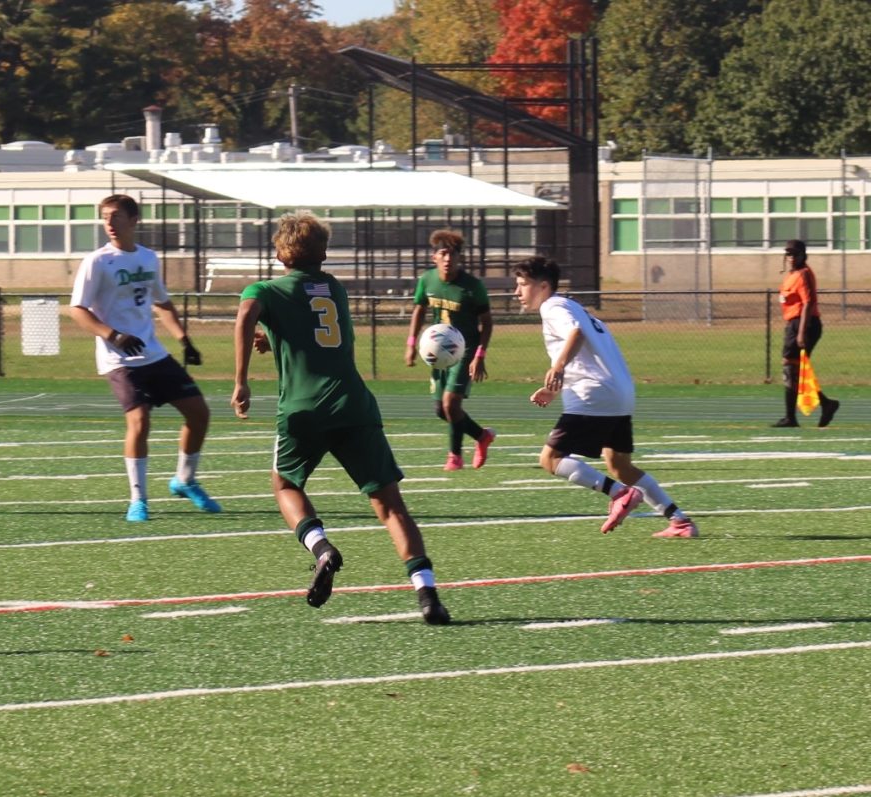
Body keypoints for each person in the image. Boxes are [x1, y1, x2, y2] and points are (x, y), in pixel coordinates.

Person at [232, 211, 451, 624]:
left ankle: (321, 546)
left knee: (285, 484)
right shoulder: (333, 287)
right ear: (324, 253)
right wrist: (274, 338)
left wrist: (241, 380)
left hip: (303, 408)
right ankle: (427, 594)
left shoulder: (264, 288)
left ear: (280, 252)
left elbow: (247, 314)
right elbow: (312, 326)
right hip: (354, 404)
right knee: (390, 506)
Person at [513, 256, 699, 539]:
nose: (518, 292)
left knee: (550, 459)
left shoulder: (552, 306)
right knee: (619, 464)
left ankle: (620, 494)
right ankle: (679, 521)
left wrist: (558, 366)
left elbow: (575, 335)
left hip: (594, 394)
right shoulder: (574, 306)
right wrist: (554, 388)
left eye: (523, 285)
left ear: (543, 286)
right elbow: (587, 353)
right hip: (619, 393)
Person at [70, 193, 219, 523]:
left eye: (116, 216)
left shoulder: (148, 258)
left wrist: (184, 340)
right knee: (139, 422)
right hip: (120, 359)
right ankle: (138, 500)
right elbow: (77, 310)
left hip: (153, 353)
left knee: (199, 413)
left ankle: (184, 480)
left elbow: (161, 303)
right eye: (105, 217)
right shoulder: (97, 261)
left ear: (134, 220)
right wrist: (113, 335)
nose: (109, 223)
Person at [405, 229, 495, 470]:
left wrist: (480, 356)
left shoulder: (472, 286)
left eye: (453, 254)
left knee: (451, 404)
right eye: (443, 254)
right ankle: (481, 436)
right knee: (440, 410)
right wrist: (412, 344)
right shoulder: (427, 280)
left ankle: (454, 456)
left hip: (465, 351)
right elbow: (419, 310)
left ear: (459, 258)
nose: (448, 259)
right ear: (434, 257)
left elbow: (486, 322)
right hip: (438, 352)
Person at [773, 239, 839, 428]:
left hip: (805, 324)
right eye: (789, 254)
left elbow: (808, 303)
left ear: (803, 255)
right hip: (794, 324)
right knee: (796, 369)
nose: (791, 258)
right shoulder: (791, 275)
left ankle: (791, 417)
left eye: (795, 254)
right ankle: (826, 404)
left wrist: (801, 332)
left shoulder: (804, 274)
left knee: (790, 366)